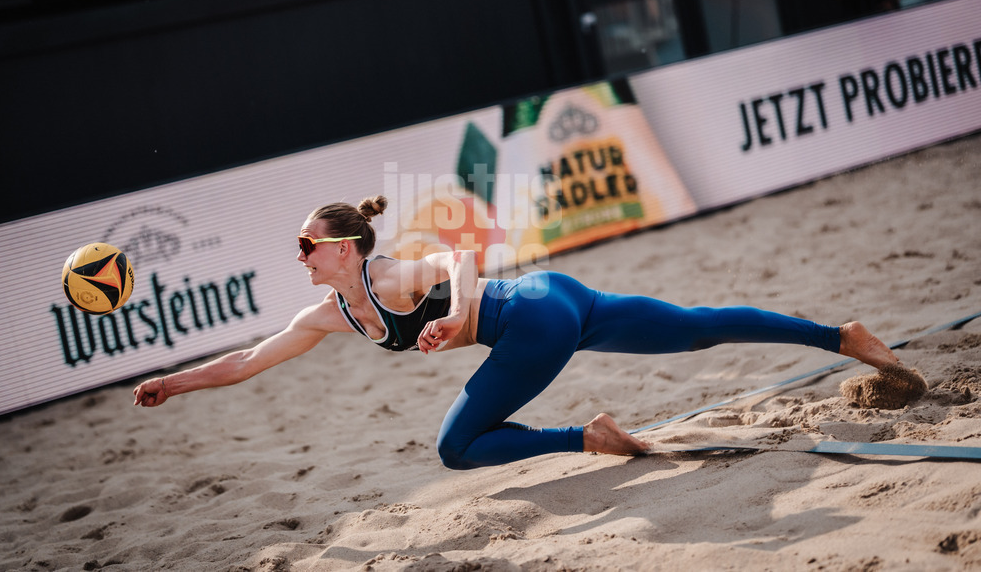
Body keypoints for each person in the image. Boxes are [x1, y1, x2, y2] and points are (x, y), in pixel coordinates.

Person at [133, 195, 901, 470]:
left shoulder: (389, 274)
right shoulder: (326, 314)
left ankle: (590, 437)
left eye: (305, 245)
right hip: (550, 299)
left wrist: (461, 315)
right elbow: (243, 360)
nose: (298, 255)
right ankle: (840, 336)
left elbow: (460, 256)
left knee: (456, 448)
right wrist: (175, 380)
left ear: (342, 248)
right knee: (696, 330)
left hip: (528, 317)